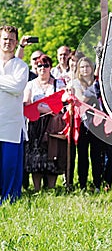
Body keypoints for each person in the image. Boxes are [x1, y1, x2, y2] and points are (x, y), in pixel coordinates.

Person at [23, 54, 67, 192]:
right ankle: (36, 188)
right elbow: (26, 103)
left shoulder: (58, 83)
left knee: (52, 154)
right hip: (35, 124)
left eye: (46, 65)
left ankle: (51, 188)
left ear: (50, 67)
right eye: (39, 66)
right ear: (36, 68)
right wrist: (43, 108)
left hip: (52, 124)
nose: (43, 68)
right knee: (35, 156)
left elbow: (63, 101)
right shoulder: (30, 84)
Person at [0, 25, 29, 203]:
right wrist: (7, 83)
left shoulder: (21, 66)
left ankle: (9, 199)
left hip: (12, 124)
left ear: (16, 42)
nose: (7, 43)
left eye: (11, 40)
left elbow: (18, 87)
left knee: (9, 165)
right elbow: (11, 86)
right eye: (4, 39)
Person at [72, 56, 105, 192]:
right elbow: (82, 99)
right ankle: (83, 184)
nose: (85, 69)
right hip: (82, 124)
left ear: (92, 68)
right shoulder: (76, 83)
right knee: (82, 156)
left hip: (98, 123)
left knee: (97, 155)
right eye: (82, 67)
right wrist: (94, 89)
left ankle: (98, 184)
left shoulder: (98, 82)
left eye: (87, 66)